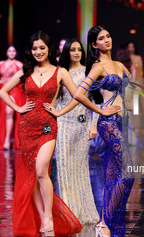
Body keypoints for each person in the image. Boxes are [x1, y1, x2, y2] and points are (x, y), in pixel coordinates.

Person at [0, 31, 116, 237]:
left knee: (42, 170)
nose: (38, 52)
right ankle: (44, 215)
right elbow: (2, 91)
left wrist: (93, 111)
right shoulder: (25, 71)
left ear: (49, 49)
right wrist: (18, 108)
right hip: (26, 128)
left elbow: (78, 95)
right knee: (32, 175)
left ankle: (48, 219)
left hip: (48, 127)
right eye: (34, 48)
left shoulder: (60, 72)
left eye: (42, 48)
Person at [73, 25, 135, 237]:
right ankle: (103, 225)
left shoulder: (118, 65)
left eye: (108, 36)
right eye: (101, 38)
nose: (107, 40)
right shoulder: (98, 67)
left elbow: (131, 83)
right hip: (108, 124)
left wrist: (127, 101)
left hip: (121, 122)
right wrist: (99, 111)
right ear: (94, 44)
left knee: (113, 177)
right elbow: (79, 94)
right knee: (128, 174)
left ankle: (104, 228)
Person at [56, 38, 100, 224]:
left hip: (82, 124)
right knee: (64, 169)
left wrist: (93, 124)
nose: (76, 53)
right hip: (63, 125)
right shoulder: (60, 72)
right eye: (72, 50)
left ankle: (82, 213)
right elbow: (56, 99)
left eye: (79, 50)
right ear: (66, 52)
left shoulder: (89, 72)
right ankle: (68, 215)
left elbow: (96, 100)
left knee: (80, 170)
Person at [0, 45, 24, 150]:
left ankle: (7, 140)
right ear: (6, 52)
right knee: (4, 115)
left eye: (14, 51)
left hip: (14, 90)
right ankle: (7, 139)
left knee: (9, 112)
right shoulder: (1, 64)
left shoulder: (19, 64)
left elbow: (26, 76)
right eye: (9, 50)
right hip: (3, 91)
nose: (11, 52)